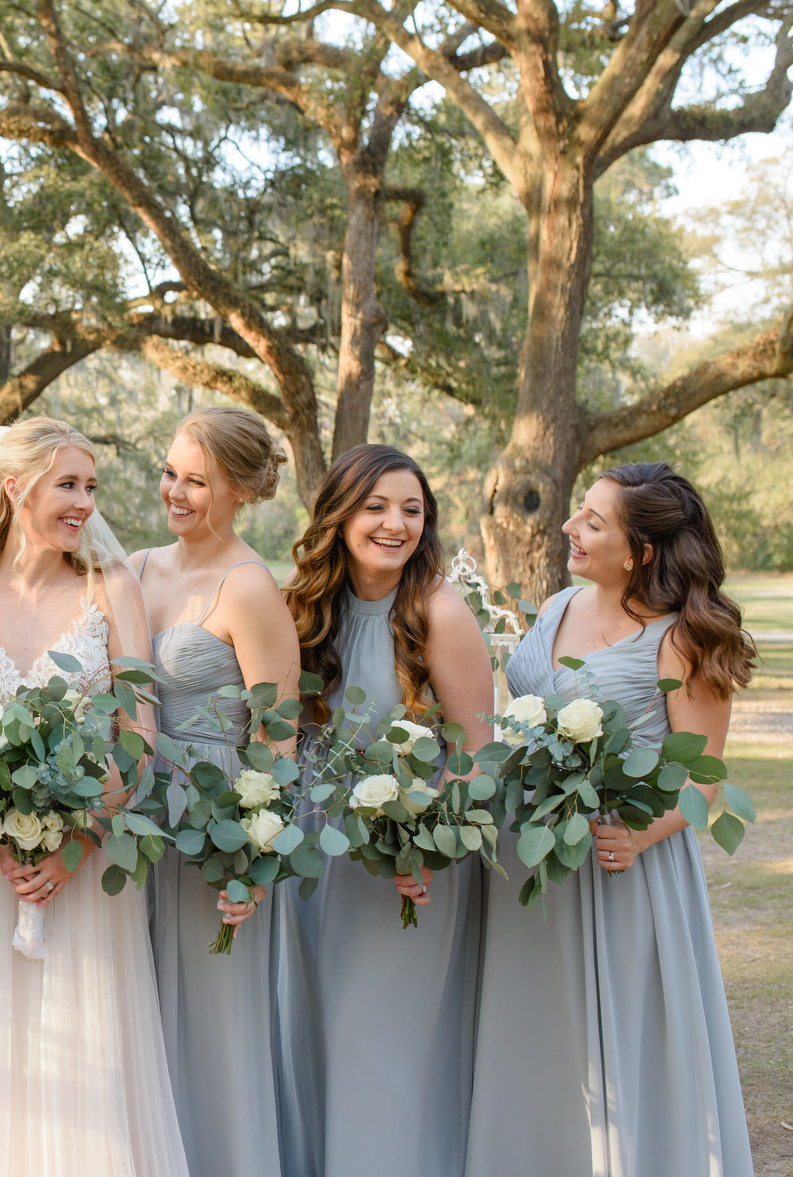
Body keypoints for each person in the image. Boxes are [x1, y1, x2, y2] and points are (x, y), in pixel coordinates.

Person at [0, 416, 188, 1177]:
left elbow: (139, 731)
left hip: (84, 869)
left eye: (90, 487)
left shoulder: (111, 586)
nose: (85, 504)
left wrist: (77, 842)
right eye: (68, 485)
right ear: (14, 485)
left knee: (85, 1053)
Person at [465, 462, 754, 1177]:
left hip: (619, 869)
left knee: (620, 1047)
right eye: (579, 513)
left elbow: (704, 774)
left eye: (593, 522)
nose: (570, 526)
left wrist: (637, 833)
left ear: (641, 552)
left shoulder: (682, 637)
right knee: (537, 1040)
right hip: (530, 861)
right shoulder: (561, 602)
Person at [277, 443, 493, 1176]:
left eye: (412, 509)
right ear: (339, 515)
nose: (395, 524)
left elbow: (473, 755)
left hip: (403, 861)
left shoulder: (440, 612)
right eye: (376, 507)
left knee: (382, 1040)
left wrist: (429, 849)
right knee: (314, 1030)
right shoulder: (304, 607)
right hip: (312, 850)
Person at [129, 408, 300, 1177]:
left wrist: (254, 857)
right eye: (170, 472)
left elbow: (278, 735)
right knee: (144, 1017)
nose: (175, 491)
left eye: (196, 481)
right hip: (133, 815)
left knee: (213, 1022)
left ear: (241, 489)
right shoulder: (134, 567)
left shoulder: (253, 588)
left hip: (215, 824)